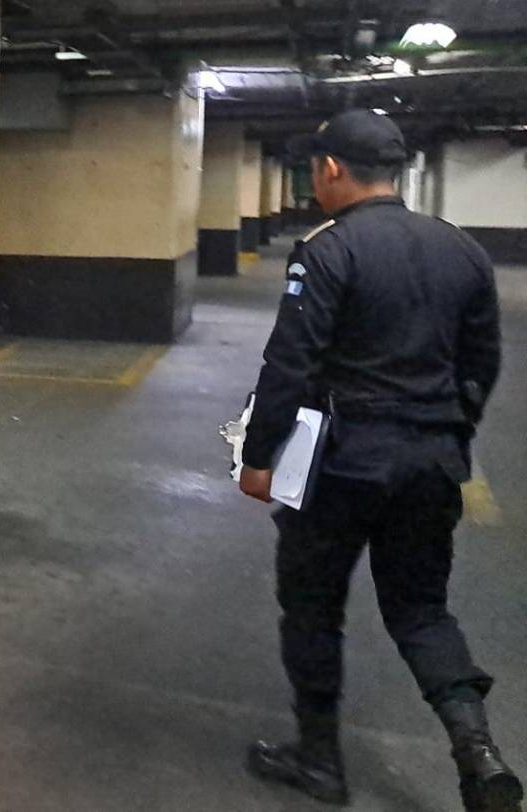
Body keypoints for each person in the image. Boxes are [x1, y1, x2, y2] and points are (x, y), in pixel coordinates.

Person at [238, 110, 520, 812]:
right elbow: (482, 363)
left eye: (315, 169)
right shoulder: (461, 249)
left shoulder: (329, 250)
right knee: (423, 612)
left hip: (342, 466)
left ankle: (320, 761)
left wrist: (258, 455)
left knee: (311, 607)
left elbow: (290, 366)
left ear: (331, 170)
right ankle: (477, 754)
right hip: (431, 465)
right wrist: (448, 432)